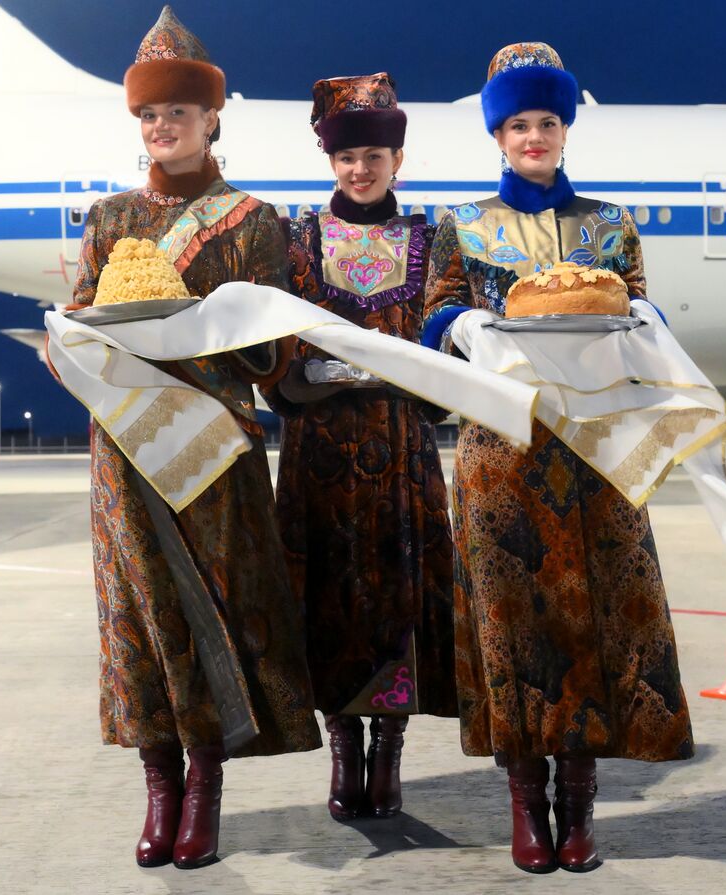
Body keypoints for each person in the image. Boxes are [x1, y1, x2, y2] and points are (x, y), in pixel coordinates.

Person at [421, 43, 694, 874]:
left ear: (565, 129)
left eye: (547, 121)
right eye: (517, 125)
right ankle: (524, 808)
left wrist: (646, 321)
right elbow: (433, 317)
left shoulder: (611, 223)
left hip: (597, 450)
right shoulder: (461, 225)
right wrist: (465, 326)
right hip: (500, 456)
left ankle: (577, 810)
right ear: (497, 137)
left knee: (600, 626)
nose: (533, 136)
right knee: (514, 635)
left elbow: (640, 302)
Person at [63, 6, 319, 870]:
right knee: (138, 619)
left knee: (220, 605)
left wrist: (231, 328)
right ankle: (158, 785)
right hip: (127, 453)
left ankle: (206, 786)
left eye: (177, 112)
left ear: (212, 119)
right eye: (148, 114)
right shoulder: (106, 221)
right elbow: (82, 329)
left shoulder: (253, 221)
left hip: (214, 451)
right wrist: (72, 339)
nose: (162, 126)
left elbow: (273, 351)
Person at [262, 73, 457, 823]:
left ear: (397, 160)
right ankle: (344, 747)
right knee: (329, 598)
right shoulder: (298, 237)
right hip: (320, 450)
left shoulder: (429, 237)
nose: (360, 169)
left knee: (397, 597)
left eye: (374, 155)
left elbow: (445, 338)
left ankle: (391, 748)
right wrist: (302, 374)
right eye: (347, 158)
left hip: (401, 448)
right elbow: (276, 339)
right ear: (331, 161)